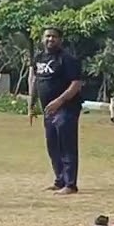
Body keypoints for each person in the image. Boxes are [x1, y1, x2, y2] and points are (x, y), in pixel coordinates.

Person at [29, 27, 85, 196]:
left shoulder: (67, 59)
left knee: (66, 145)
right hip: (48, 110)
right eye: (47, 36)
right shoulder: (39, 58)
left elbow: (76, 84)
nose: (50, 39)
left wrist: (59, 101)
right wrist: (31, 103)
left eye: (54, 36)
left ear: (60, 39)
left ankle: (70, 184)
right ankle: (59, 179)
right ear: (42, 39)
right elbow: (34, 79)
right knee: (53, 146)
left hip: (66, 108)